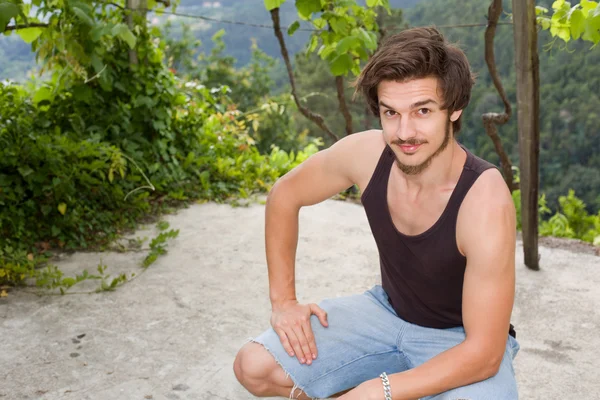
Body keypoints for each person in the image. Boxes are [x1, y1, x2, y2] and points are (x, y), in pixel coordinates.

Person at [233, 26, 520, 400]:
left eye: (422, 111)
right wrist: (284, 302)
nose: (404, 132)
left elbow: (484, 353)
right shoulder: (367, 155)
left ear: (454, 109)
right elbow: (284, 195)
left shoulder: (484, 199)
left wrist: (378, 390)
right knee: (254, 368)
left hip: (459, 341)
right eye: (390, 112)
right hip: (384, 314)